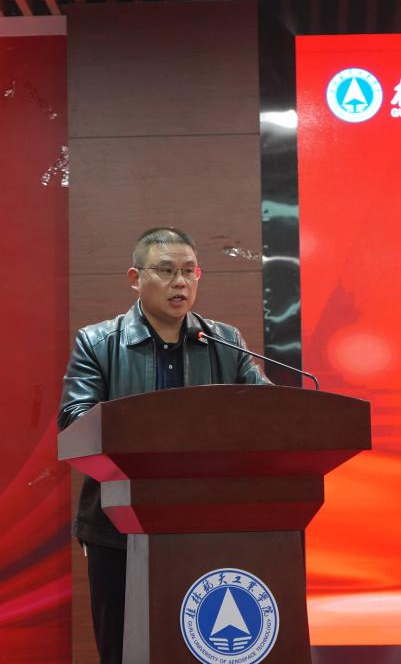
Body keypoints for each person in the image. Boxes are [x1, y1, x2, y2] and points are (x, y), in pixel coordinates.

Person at [58, 227, 270, 664]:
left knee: (200, 648)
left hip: (207, 524)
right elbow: (74, 420)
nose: (180, 283)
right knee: (123, 648)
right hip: (118, 527)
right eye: (167, 271)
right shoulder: (98, 343)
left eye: (189, 272)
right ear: (135, 278)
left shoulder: (224, 341)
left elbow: (270, 411)